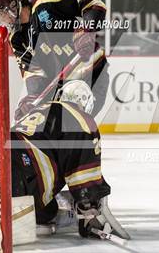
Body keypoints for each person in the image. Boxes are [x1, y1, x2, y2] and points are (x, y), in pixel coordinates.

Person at [11, 80, 129, 240]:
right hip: (22, 173)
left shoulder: (39, 109)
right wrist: (89, 214)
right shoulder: (82, 120)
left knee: (47, 211)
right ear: (87, 105)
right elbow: (84, 178)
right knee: (43, 211)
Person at [0, 0, 109, 120]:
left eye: (3, 15)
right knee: (55, 128)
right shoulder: (16, 39)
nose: (4, 22)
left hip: (92, 72)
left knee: (70, 124)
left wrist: (87, 29)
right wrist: (32, 99)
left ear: (14, 5)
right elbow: (33, 73)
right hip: (64, 87)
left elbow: (93, 3)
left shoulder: (46, 3)